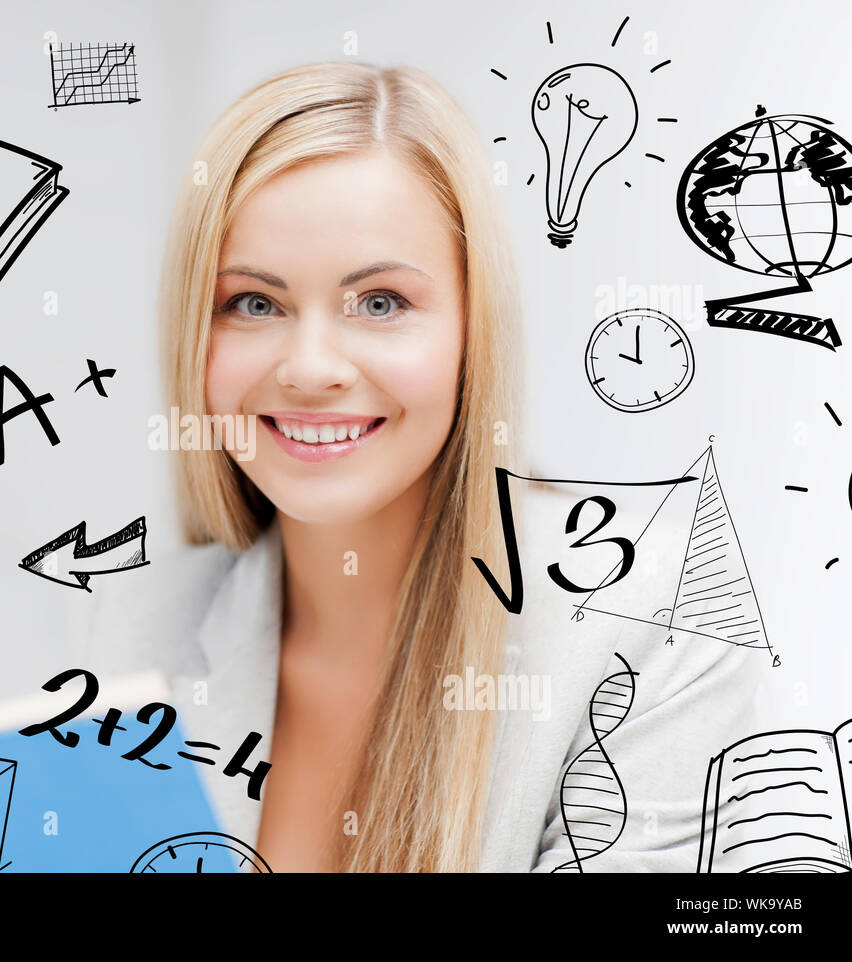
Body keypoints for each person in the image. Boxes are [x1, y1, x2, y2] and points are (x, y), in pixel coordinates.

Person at [87, 61, 764, 872]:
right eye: (253, 303)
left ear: (473, 331)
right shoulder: (129, 630)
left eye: (380, 302)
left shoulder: (649, 620)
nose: (309, 368)